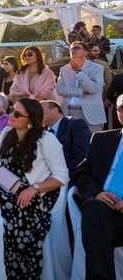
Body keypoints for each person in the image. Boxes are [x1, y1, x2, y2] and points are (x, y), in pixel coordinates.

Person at [0, 98, 69, 280]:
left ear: (31, 120)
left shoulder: (47, 140)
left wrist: (34, 189)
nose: (11, 115)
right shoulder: (7, 133)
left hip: (30, 197)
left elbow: (62, 176)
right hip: (2, 186)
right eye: (13, 110)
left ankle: (15, 270)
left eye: (17, 114)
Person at [73, 94, 123, 280]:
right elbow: (81, 173)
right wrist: (97, 193)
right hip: (104, 211)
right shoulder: (102, 140)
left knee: (96, 231)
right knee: (93, 209)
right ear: (117, 112)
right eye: (121, 108)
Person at [57, 41, 106, 133]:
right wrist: (80, 91)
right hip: (69, 114)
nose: (72, 50)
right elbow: (60, 90)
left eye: (76, 48)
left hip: (92, 115)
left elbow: (94, 89)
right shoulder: (64, 69)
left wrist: (79, 72)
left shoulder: (97, 68)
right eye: (71, 49)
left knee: (94, 144)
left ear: (85, 52)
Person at [41, 100, 90, 180]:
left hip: (68, 178)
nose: (37, 113)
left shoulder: (75, 124)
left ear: (55, 110)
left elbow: (81, 157)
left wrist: (61, 177)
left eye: (40, 109)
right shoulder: (41, 132)